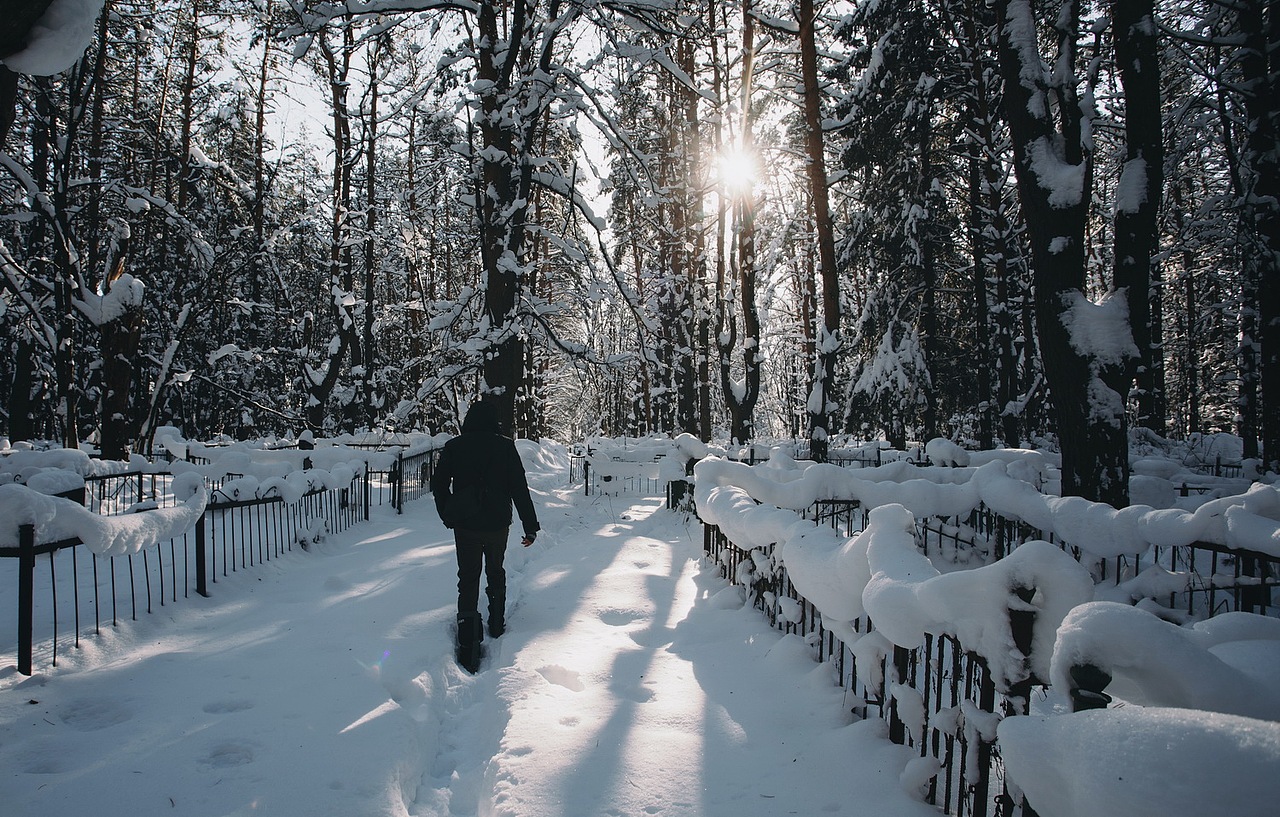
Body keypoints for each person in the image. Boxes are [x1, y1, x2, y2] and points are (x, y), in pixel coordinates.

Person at [430, 400, 540, 645]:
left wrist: (448, 511)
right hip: (497, 522)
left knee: (468, 576)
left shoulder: (454, 446)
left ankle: (468, 636)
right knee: (495, 570)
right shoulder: (505, 447)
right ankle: (497, 624)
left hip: (465, 523)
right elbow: (519, 488)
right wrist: (530, 526)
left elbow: (438, 484)